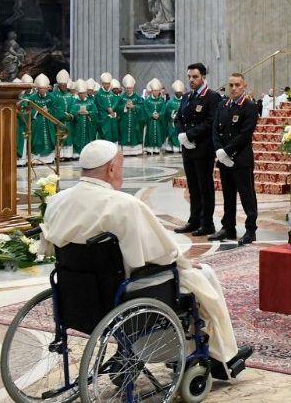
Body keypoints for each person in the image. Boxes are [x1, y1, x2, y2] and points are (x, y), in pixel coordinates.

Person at [39, 140, 253, 376]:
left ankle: (139, 352)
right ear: (111, 169)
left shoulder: (58, 201)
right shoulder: (123, 204)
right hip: (126, 290)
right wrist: (183, 262)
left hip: (78, 291)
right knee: (202, 275)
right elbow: (163, 253)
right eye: (120, 166)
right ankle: (222, 358)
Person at [209, 73, 258, 245]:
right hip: (224, 159)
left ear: (244, 86)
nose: (234, 88)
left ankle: (251, 229)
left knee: (247, 196)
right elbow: (215, 130)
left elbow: (245, 134)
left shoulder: (250, 107)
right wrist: (219, 151)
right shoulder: (222, 105)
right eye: (231, 85)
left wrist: (227, 151)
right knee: (228, 196)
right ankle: (228, 227)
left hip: (241, 159)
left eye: (237, 85)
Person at [173, 63, 222, 236]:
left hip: (203, 148)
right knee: (193, 187)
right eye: (189, 77)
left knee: (204, 186)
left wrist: (189, 135)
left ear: (203, 77)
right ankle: (194, 220)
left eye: (195, 77)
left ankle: (207, 223)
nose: (191, 80)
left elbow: (211, 122)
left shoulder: (212, 97)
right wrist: (181, 136)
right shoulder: (187, 97)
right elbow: (178, 118)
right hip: (188, 147)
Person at [28, 74, 60, 164]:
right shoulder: (32, 98)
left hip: (49, 122)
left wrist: (48, 110)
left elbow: (56, 108)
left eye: (43, 88)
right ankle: (36, 160)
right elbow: (28, 110)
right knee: (36, 141)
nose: (42, 90)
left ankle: (49, 159)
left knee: (49, 140)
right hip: (36, 122)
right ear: (37, 89)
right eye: (40, 88)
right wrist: (38, 111)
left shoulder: (52, 97)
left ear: (47, 88)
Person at [116, 74, 145, 156]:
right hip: (124, 121)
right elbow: (117, 108)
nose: (128, 89)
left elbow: (142, 107)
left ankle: (135, 151)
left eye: (130, 88)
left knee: (135, 134)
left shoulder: (138, 97)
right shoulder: (121, 97)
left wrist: (134, 106)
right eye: (127, 88)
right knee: (124, 134)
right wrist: (124, 106)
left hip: (134, 121)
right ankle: (124, 151)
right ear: (125, 88)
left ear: (133, 88)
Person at [51, 70, 75, 159]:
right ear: (58, 85)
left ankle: (67, 155)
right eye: (62, 85)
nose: (64, 86)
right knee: (59, 136)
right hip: (59, 121)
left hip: (69, 121)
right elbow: (54, 107)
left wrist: (71, 114)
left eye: (65, 85)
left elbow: (74, 105)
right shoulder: (54, 95)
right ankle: (59, 155)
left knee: (68, 137)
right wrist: (64, 114)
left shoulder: (69, 95)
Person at [70, 79, 98, 156]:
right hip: (78, 125)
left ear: (86, 93)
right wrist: (77, 113)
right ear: (78, 94)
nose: (82, 95)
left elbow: (95, 112)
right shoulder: (75, 102)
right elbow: (72, 112)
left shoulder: (90, 102)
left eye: (83, 93)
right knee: (77, 138)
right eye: (80, 93)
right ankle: (77, 154)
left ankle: (88, 153)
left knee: (88, 138)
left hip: (88, 125)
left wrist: (88, 112)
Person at [142, 78, 166, 154]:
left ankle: (157, 149)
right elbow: (145, 109)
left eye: (157, 91)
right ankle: (149, 149)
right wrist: (151, 115)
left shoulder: (161, 101)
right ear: (151, 91)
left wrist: (159, 115)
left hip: (158, 121)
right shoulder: (147, 100)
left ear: (159, 91)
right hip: (150, 121)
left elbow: (163, 109)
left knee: (158, 134)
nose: (156, 92)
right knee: (149, 134)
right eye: (154, 91)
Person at [94, 72, 119, 142]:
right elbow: (99, 105)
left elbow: (115, 102)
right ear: (102, 84)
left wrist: (112, 108)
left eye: (108, 83)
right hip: (103, 118)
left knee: (113, 134)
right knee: (105, 135)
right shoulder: (98, 94)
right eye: (105, 84)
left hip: (112, 118)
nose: (107, 85)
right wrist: (108, 110)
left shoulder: (111, 93)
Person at [163, 80, 186, 153]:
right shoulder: (170, 102)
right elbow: (166, 112)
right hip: (172, 122)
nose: (179, 94)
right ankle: (172, 147)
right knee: (173, 134)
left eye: (180, 92)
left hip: (182, 123)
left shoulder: (185, 100)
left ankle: (181, 147)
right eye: (177, 92)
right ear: (175, 92)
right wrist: (173, 112)